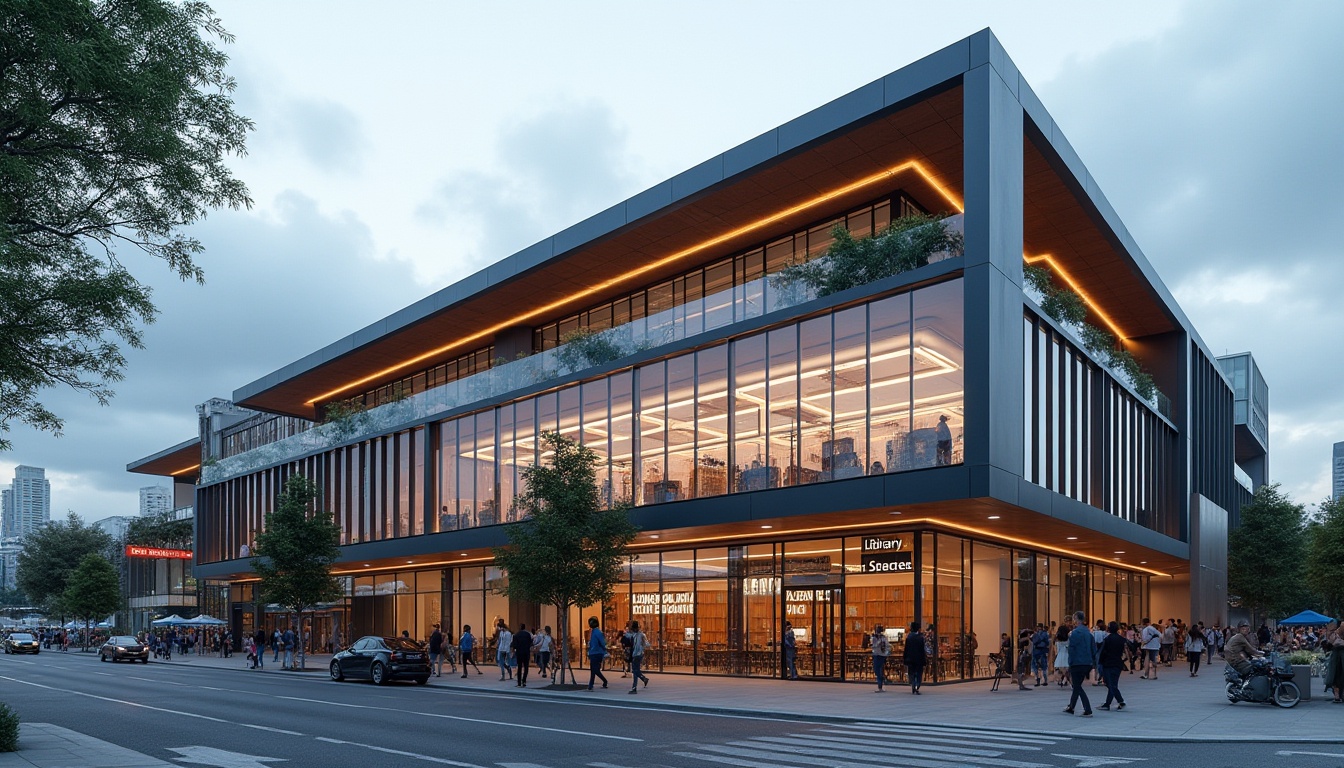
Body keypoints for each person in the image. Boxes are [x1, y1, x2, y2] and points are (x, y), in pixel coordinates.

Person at [1065, 610, 1095, 716]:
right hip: (1087, 662)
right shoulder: (1089, 633)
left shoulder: (1075, 633)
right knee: (1077, 685)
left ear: (1076, 619)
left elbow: (1072, 649)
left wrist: (1070, 663)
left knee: (1077, 686)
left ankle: (1087, 708)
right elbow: (1093, 649)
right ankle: (1071, 706)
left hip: (1077, 662)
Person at [1097, 621, 1127, 711]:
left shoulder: (1107, 639)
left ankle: (1116, 702)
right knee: (1113, 684)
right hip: (1117, 663)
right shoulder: (1122, 639)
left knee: (1110, 684)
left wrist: (1100, 662)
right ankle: (1113, 702)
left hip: (1108, 663)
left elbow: (1103, 652)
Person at [626, 620, 650, 694]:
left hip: (638, 654)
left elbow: (647, 644)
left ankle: (634, 687)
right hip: (635, 654)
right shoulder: (634, 635)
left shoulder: (641, 635)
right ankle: (643, 679)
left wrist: (642, 648)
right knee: (636, 670)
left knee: (635, 671)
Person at [585, 617, 609, 691]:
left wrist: (604, 650)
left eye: (591, 623)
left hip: (597, 653)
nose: (590, 624)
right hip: (594, 652)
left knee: (594, 669)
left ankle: (591, 685)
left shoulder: (597, 632)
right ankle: (603, 681)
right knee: (594, 670)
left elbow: (603, 642)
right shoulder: (593, 632)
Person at [903, 621, 926, 694]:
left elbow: (906, 649)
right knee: (919, 673)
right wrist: (924, 658)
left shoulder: (909, 638)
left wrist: (905, 657)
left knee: (912, 672)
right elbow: (923, 649)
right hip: (919, 658)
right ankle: (917, 685)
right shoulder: (921, 638)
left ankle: (913, 684)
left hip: (910, 658)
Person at [870, 624, 890, 692]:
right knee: (876, 670)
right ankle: (882, 679)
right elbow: (873, 646)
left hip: (881, 655)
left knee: (880, 670)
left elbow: (887, 645)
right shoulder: (874, 637)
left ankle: (880, 685)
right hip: (876, 654)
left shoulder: (883, 637)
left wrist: (886, 653)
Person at [1053, 621, 1070, 686]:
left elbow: (1056, 650)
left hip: (1060, 655)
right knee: (1067, 670)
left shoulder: (1058, 640)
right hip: (1067, 654)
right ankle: (1065, 681)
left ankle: (1061, 680)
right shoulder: (1068, 639)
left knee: (1058, 669)